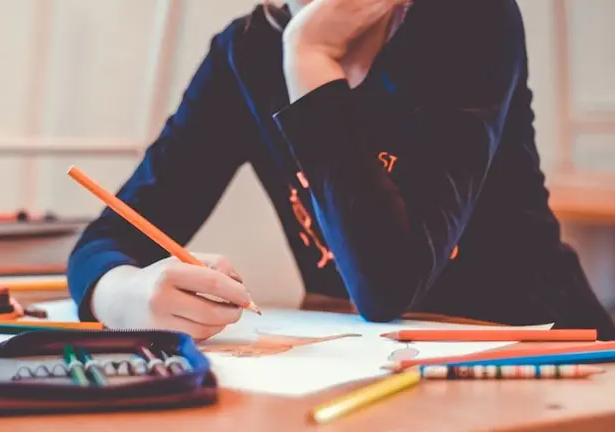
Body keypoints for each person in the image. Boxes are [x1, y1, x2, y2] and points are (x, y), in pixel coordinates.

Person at [67, 0, 615, 340]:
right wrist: (123, 296)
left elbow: (387, 286)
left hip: (538, 351)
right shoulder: (248, 49)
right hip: (365, 367)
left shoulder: (469, 19)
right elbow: (111, 236)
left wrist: (309, 59)